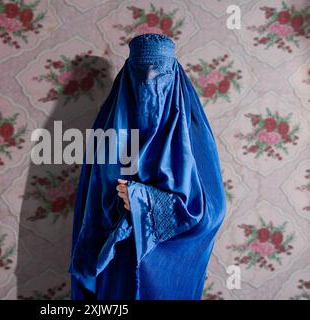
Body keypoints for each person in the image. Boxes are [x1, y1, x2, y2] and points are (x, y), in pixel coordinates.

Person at [68, 33, 226, 300]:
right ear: (128, 78)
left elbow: (213, 212)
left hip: (166, 271)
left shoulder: (193, 134)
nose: (149, 83)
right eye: (142, 74)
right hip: (115, 261)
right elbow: (89, 206)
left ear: (173, 78)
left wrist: (144, 202)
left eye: (159, 74)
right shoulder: (108, 132)